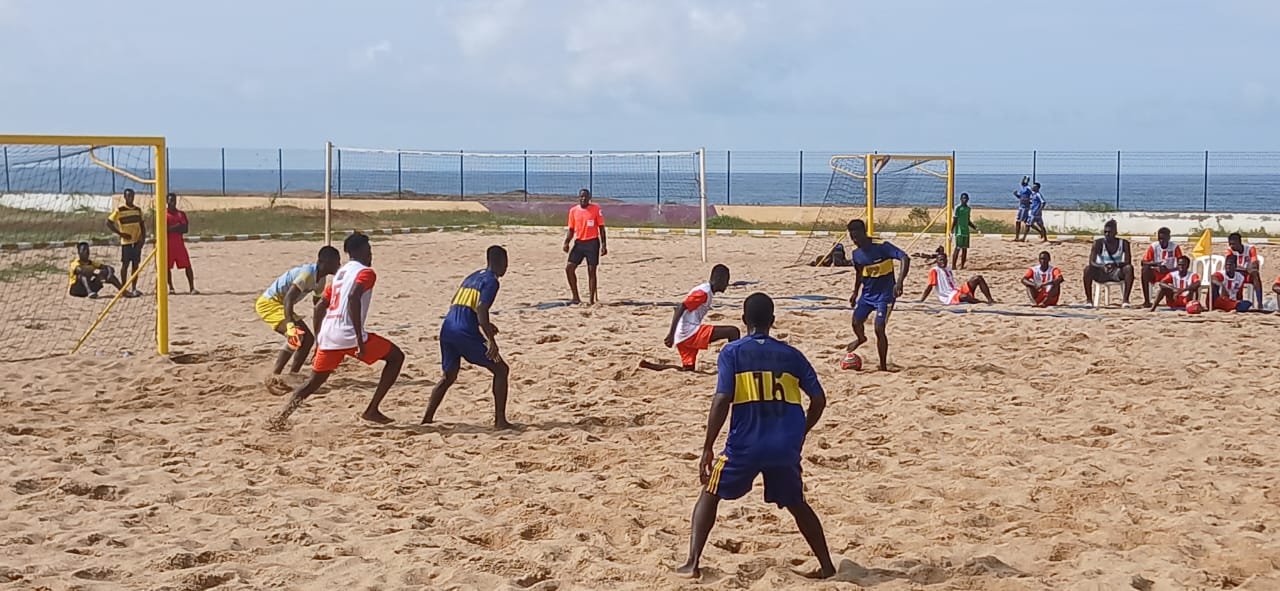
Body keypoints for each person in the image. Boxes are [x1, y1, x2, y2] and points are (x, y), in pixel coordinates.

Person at [675, 293, 834, 580]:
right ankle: (826, 565)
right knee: (797, 504)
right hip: (784, 447)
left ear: (744, 320)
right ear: (772, 322)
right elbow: (819, 399)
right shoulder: (792, 355)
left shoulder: (732, 352)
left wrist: (707, 447)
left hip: (745, 445)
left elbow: (722, 399)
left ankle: (692, 562)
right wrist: (801, 431)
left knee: (710, 493)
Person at [268, 233, 405, 428]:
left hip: (329, 335)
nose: (370, 254)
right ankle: (372, 409)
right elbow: (353, 298)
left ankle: (280, 418)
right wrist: (359, 339)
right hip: (349, 334)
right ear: (359, 251)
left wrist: (319, 339)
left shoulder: (340, 274)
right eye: (368, 250)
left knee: (313, 383)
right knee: (396, 357)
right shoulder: (366, 273)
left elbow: (319, 307)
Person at [422, 245, 513, 430]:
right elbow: (481, 308)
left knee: (448, 376)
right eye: (506, 262)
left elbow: (462, 304)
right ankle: (500, 421)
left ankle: (427, 418)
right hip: (464, 332)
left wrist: (485, 323)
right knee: (501, 369)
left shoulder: (472, 277)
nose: (506, 267)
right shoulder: (492, 281)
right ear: (501, 262)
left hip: (447, 328)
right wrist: (491, 340)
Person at [256, 246, 342, 376]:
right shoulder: (307, 274)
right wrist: (290, 325)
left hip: (281, 305)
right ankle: (274, 376)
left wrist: (319, 334)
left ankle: (293, 375)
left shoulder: (321, 280)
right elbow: (288, 299)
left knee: (308, 339)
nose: (339, 265)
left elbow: (317, 308)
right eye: (336, 262)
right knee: (296, 336)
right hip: (269, 304)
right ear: (324, 262)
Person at [641, 265, 740, 372]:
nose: (727, 284)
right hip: (689, 332)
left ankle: (651, 366)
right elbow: (680, 308)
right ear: (719, 279)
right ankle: (735, 367)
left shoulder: (705, 290)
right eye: (726, 280)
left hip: (682, 336)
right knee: (733, 331)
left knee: (687, 370)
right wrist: (671, 334)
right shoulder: (704, 293)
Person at [846, 219, 910, 371]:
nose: (854, 240)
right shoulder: (856, 254)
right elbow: (859, 274)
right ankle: (861, 338)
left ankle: (882, 366)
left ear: (864, 232)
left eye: (857, 236)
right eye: (851, 237)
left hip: (885, 295)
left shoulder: (882, 247)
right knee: (856, 322)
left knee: (879, 328)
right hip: (867, 294)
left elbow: (905, 258)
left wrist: (899, 282)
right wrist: (855, 292)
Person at [563, 189, 607, 304]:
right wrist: (567, 242)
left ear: (589, 198)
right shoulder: (573, 211)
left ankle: (592, 300)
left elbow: (601, 228)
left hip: (592, 243)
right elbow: (571, 229)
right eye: (581, 197)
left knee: (591, 270)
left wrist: (603, 245)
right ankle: (575, 297)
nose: (583, 199)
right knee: (569, 268)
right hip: (579, 243)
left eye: (585, 197)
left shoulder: (596, 209)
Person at [1082, 219, 1135, 307]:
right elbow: (1092, 262)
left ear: (1115, 232)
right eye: (1105, 232)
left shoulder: (1124, 243)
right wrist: (1102, 266)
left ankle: (1125, 300)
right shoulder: (1098, 243)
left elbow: (1127, 261)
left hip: (1117, 271)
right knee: (1087, 269)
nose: (1107, 234)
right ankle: (1089, 300)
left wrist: (1116, 265)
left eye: (1109, 232)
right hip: (1101, 272)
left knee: (1129, 268)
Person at [106, 188, 145, 296]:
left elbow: (142, 225)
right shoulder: (120, 210)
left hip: (137, 241)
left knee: (135, 265)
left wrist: (143, 239)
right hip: (126, 242)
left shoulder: (138, 210)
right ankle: (123, 288)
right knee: (125, 265)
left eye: (132, 196)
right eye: (128, 196)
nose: (130, 198)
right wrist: (120, 233)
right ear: (125, 197)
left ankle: (134, 287)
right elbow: (108, 222)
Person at [920, 252, 994, 305]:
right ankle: (980, 302)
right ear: (937, 261)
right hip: (948, 296)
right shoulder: (934, 270)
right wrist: (922, 300)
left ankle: (990, 300)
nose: (943, 262)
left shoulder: (948, 268)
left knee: (978, 278)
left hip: (956, 290)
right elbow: (930, 286)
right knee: (964, 296)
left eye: (945, 260)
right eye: (941, 260)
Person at [1140, 227, 1182, 307]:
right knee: (1144, 270)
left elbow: (1181, 264)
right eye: (1160, 239)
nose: (1161, 241)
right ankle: (1147, 301)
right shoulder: (1153, 246)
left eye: (1164, 239)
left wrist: (1169, 270)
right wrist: (1157, 265)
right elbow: (1144, 262)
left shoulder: (1175, 247)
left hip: (1170, 273)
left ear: (1169, 238)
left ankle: (1174, 299)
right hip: (1157, 272)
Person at [165, 193, 198, 294]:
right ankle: (171, 287)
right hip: (168, 245)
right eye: (170, 200)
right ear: (167, 201)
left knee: (187, 265)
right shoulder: (164, 215)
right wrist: (177, 227)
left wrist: (173, 228)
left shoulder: (181, 214)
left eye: (174, 200)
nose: (172, 203)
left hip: (179, 245)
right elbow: (165, 230)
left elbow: (185, 229)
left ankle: (192, 287)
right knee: (166, 267)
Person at [1224, 233, 1264, 304]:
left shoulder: (1250, 249)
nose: (1231, 246)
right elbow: (1228, 266)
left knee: (1255, 274)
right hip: (1237, 273)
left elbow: (1254, 264)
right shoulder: (1230, 250)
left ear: (1239, 242)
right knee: (1234, 275)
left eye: (1233, 244)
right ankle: (1237, 301)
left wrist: (1248, 268)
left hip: (1248, 273)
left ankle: (1260, 302)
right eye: (1230, 244)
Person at [951, 192, 979, 269]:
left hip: (966, 231)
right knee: (957, 248)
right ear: (960, 199)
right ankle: (953, 265)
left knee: (964, 249)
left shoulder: (968, 209)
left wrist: (975, 227)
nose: (964, 200)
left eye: (966, 198)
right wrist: (951, 230)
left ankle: (962, 265)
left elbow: (968, 221)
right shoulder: (958, 208)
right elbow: (955, 220)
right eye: (963, 198)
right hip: (959, 231)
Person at [1013, 177, 1032, 242]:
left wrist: (1029, 201)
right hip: (1021, 206)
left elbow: (1032, 196)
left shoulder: (1028, 189)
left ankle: (1019, 237)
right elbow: (1021, 197)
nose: (1022, 181)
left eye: (1024, 180)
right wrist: (1016, 195)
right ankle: (1017, 237)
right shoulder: (1022, 189)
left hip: (1025, 207)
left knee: (1021, 222)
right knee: (1023, 222)